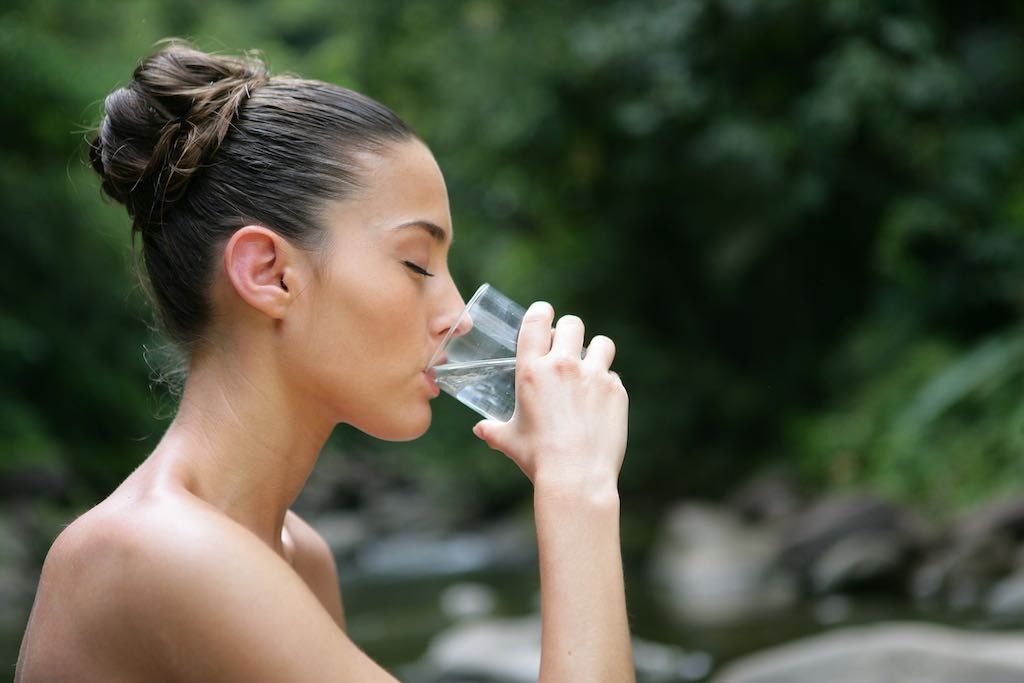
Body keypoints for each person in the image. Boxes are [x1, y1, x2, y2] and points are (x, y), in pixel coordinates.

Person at [15, 40, 633, 682]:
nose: (459, 315)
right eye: (417, 263)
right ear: (270, 274)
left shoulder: (296, 555)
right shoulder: (158, 552)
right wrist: (577, 490)